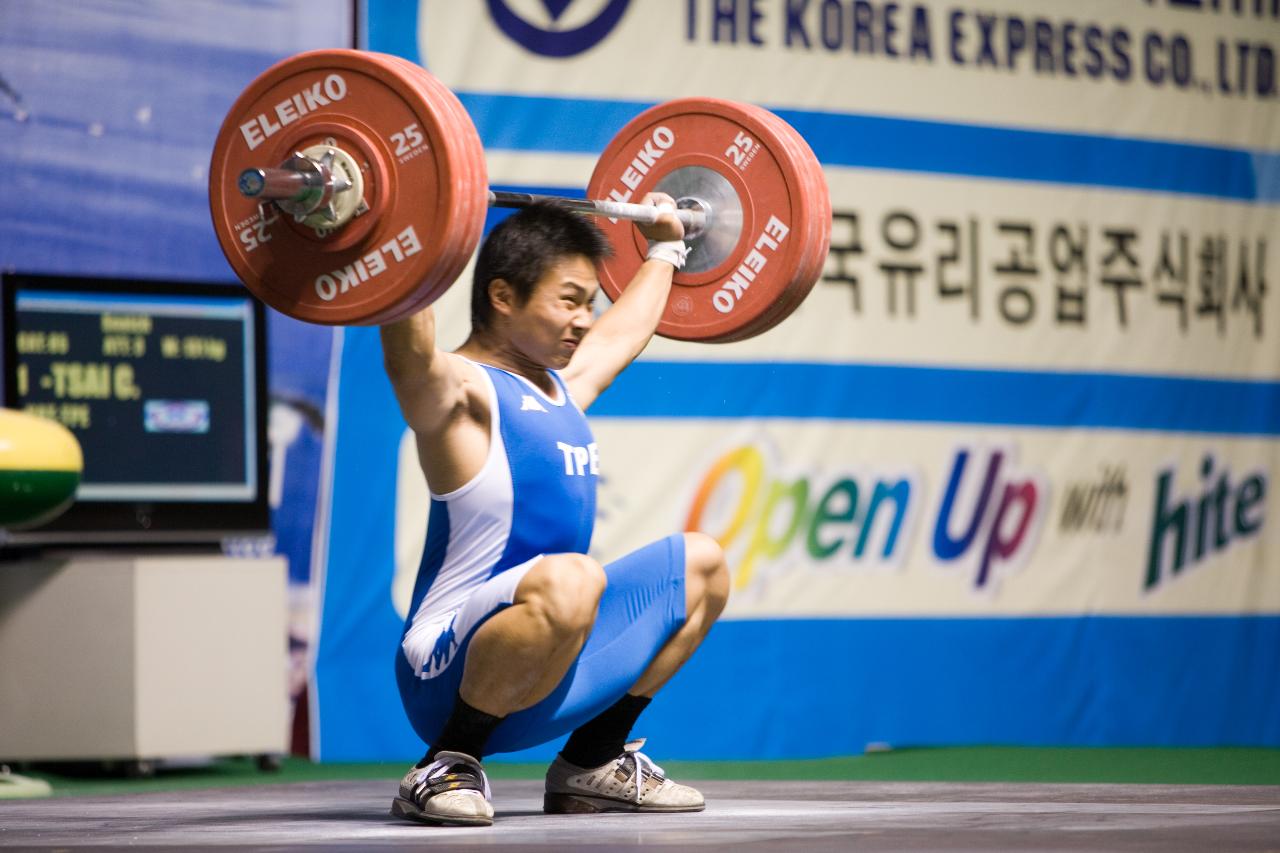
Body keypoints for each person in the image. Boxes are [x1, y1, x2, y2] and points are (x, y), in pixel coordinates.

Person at [381, 193, 731, 827]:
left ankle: (592, 761)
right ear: (503, 297)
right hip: (444, 672)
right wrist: (402, 239)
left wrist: (666, 247)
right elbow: (410, 358)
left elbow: (624, 334)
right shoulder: (460, 393)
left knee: (702, 565)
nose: (583, 318)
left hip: (547, 655)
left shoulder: (560, 386)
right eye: (568, 300)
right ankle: (448, 759)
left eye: (588, 302)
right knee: (574, 576)